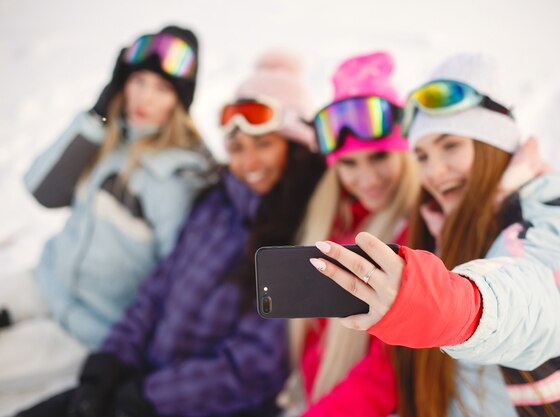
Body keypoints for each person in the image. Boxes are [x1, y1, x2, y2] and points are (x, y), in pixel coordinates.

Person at [309, 54, 560, 416]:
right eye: (423, 156)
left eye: (451, 146)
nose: (435, 171)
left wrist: (448, 305)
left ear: (495, 145)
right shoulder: (448, 234)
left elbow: (539, 294)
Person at [16, 49, 326, 417]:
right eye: (237, 147)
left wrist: (146, 399)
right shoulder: (217, 203)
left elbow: (254, 367)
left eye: (264, 144)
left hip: (198, 405)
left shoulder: (303, 234)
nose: (249, 163)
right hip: (143, 379)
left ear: (294, 148)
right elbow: (159, 288)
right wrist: (111, 362)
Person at [0, 25, 216, 415]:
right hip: (42, 282)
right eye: (138, 81)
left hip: (83, 330)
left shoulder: (180, 180)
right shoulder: (108, 137)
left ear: (179, 102)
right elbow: (43, 191)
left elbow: (174, 284)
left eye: (162, 89)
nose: (144, 97)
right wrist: (96, 117)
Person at [281, 51, 419, 417]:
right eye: (349, 164)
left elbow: (385, 370)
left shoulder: (418, 232)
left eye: (379, 157)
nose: (367, 179)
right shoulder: (333, 221)